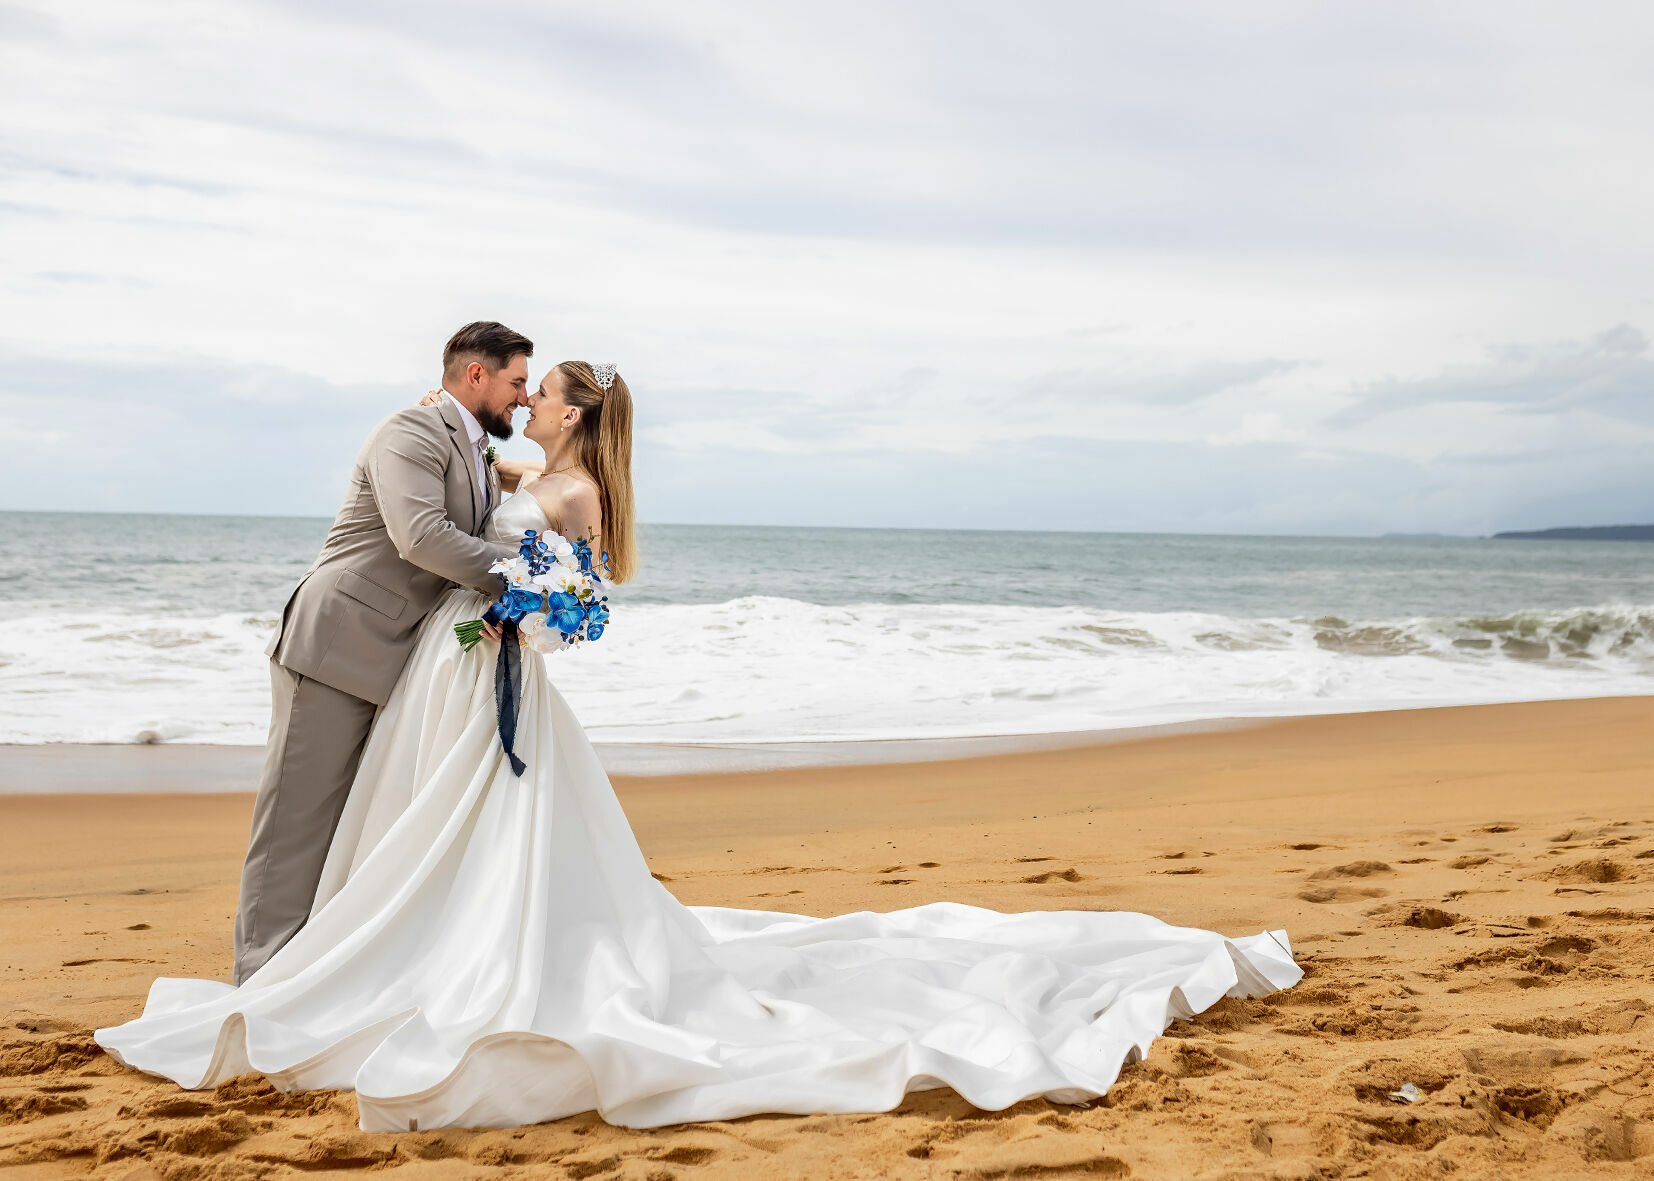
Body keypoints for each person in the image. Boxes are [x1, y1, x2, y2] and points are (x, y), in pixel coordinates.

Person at [98, 359, 1299, 1131]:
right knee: (417, 823)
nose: (525, 401)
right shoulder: (530, 463)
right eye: (518, 386)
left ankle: (400, 966)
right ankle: (356, 951)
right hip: (451, 668)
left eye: (541, 390)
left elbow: (558, 573)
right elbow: (478, 478)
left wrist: (523, 602)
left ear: (568, 407)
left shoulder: (565, 489)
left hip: (483, 665)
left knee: (474, 833)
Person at [231, 321, 533, 985]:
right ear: (475, 374)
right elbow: (421, 536)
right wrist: (528, 579)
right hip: (338, 642)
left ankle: (310, 969)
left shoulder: (475, 449)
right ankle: (256, 982)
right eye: (516, 381)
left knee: (348, 823)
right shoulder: (411, 432)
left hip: (394, 658)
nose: (524, 396)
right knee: (296, 822)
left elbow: (528, 485)